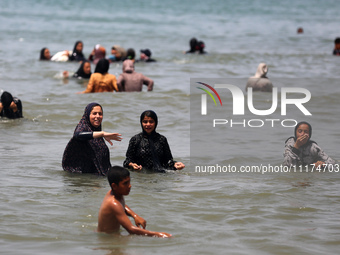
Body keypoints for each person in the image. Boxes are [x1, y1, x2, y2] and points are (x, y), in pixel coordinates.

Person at [97, 166, 172, 237]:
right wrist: (159, 235)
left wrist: (135, 216)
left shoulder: (115, 193)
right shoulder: (113, 203)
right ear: (114, 186)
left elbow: (122, 205)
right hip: (107, 238)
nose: (129, 186)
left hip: (111, 234)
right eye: (125, 183)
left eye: (129, 182)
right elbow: (131, 229)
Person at [62, 102, 122, 175]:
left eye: (100, 114)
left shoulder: (97, 132)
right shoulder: (83, 127)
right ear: (87, 115)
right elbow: (77, 135)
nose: (97, 116)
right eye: (94, 113)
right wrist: (102, 134)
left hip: (95, 179)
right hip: (83, 180)